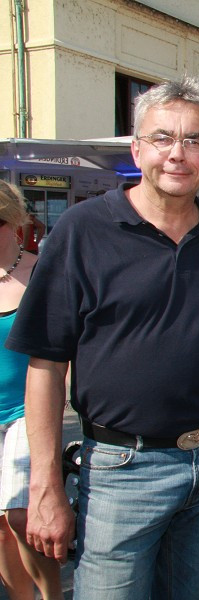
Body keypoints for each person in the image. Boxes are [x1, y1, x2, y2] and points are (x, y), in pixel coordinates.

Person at [5, 75, 199, 598]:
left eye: (194, 140)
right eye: (162, 138)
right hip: (121, 470)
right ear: (137, 149)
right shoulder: (83, 230)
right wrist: (45, 484)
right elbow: (45, 364)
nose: (178, 153)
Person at [0, 181, 61, 600]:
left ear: (16, 222)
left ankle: (51, 596)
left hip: (25, 410)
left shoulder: (40, 271)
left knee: (22, 515)